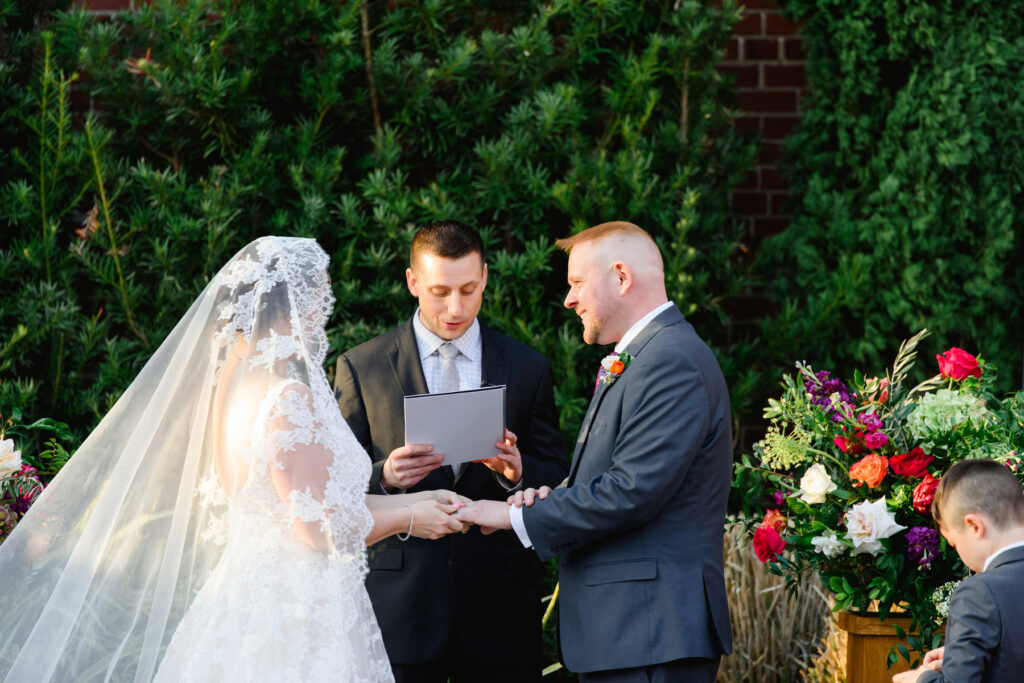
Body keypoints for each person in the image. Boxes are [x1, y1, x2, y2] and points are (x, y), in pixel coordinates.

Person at [0, 236, 468, 683]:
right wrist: (409, 517)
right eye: (320, 297)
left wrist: (421, 501)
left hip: (245, 595)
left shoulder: (232, 383)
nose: (325, 311)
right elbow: (315, 528)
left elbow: (294, 509)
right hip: (294, 610)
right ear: (290, 305)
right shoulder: (287, 399)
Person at [456, 221, 734, 682]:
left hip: (650, 635)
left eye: (577, 283)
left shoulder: (671, 361)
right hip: (632, 634)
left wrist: (509, 516)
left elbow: (632, 492)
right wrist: (538, 495)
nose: (568, 299)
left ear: (621, 278)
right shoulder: (649, 356)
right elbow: (613, 478)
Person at [333, 220, 567, 683]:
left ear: (484, 277)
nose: (455, 308)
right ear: (412, 282)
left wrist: (516, 472)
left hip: (499, 611)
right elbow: (330, 485)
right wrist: (384, 476)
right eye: (440, 292)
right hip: (400, 610)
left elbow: (556, 471)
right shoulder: (362, 367)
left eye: (467, 289)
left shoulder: (527, 366)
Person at [892, 459, 1024, 683]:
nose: (959, 554)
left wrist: (921, 678)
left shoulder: (980, 593)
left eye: (954, 544)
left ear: (974, 526)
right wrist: (963, 656)